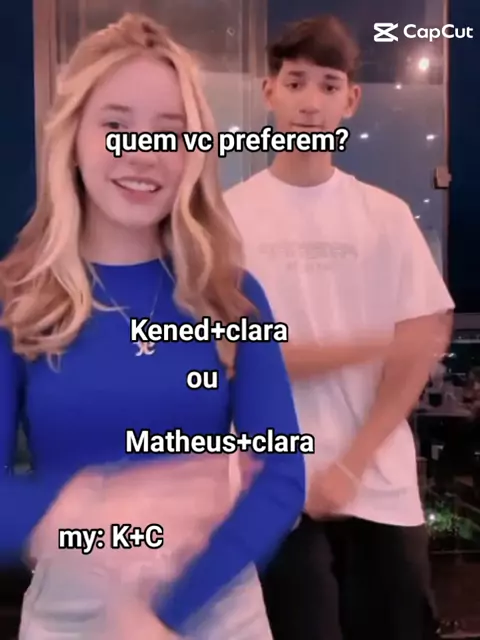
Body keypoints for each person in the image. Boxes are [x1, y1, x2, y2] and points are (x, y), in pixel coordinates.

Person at [0, 12, 305, 639]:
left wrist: (160, 614)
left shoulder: (234, 297)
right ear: (74, 137)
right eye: (115, 126)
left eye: (169, 133)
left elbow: (280, 476)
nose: (142, 153)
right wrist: (76, 510)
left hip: (219, 608)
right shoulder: (18, 299)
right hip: (71, 616)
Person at [224, 14, 454, 640]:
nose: (310, 102)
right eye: (295, 82)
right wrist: (370, 343)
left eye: (328, 86)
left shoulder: (386, 215)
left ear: (350, 101)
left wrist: (350, 465)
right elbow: (231, 355)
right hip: (275, 488)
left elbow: (420, 348)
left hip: (381, 486)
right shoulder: (228, 219)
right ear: (269, 92)